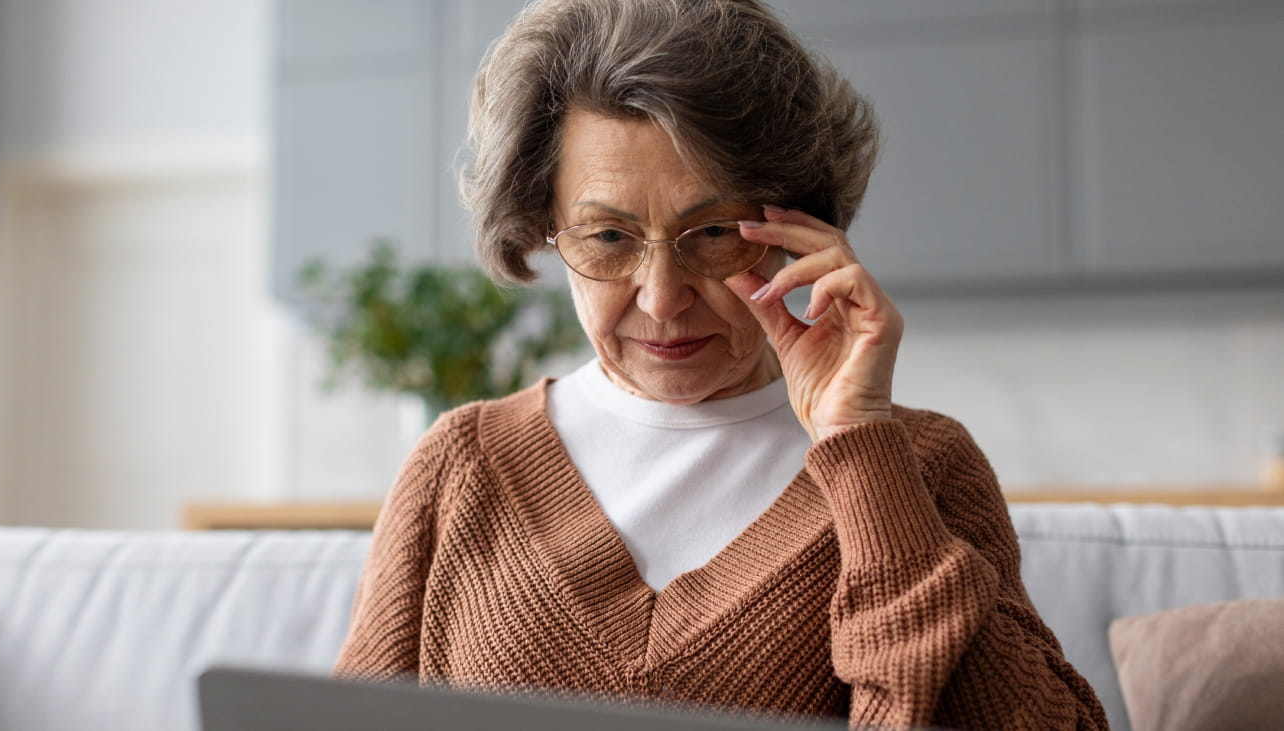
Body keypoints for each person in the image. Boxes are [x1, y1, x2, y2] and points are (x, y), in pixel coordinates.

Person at [335, 0, 1109, 728]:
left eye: (711, 234)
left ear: (796, 229)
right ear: (544, 227)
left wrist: (862, 449)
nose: (663, 298)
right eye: (608, 238)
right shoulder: (458, 467)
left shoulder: (921, 466)